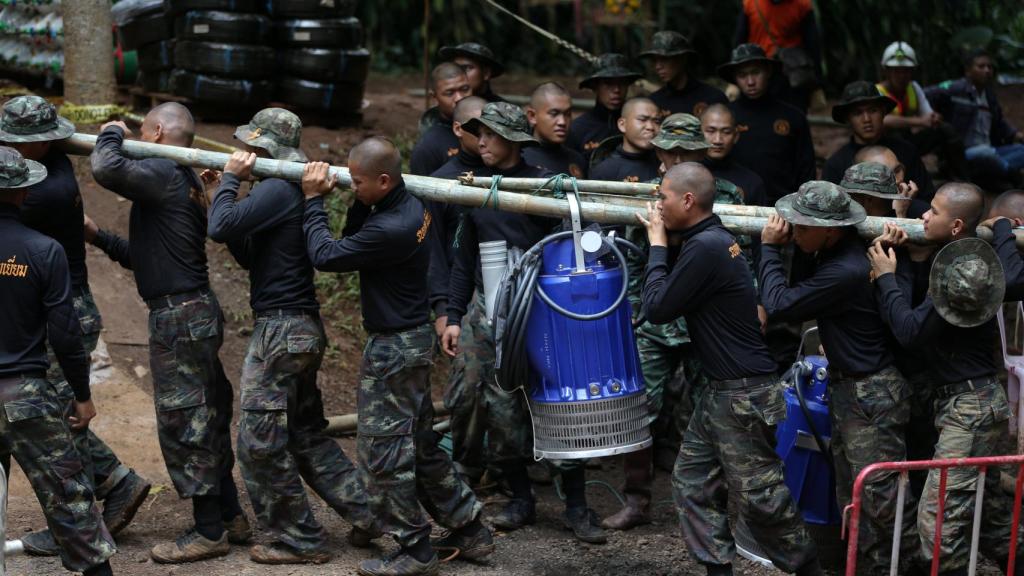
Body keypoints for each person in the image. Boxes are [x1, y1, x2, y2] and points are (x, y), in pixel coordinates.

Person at [302, 138, 493, 576]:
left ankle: (414, 548)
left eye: (358, 181)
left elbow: (326, 255)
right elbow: (355, 238)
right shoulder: (408, 205)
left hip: (393, 349)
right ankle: (470, 527)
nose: (352, 186)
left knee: (382, 454)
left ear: (384, 180)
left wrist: (313, 201)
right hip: (410, 343)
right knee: (422, 444)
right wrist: (355, 200)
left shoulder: (392, 227)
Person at [203, 109, 380, 564]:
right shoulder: (278, 191)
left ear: (267, 150)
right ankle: (373, 513)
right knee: (305, 435)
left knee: (258, 443)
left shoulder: (280, 187)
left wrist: (227, 180)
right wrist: (216, 192)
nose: (246, 153)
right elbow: (245, 253)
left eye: (253, 147)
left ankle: (301, 538)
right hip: (297, 327)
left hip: (281, 331)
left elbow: (220, 226)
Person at [636, 162, 822, 576]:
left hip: (743, 394)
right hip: (723, 391)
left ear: (687, 200)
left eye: (662, 196)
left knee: (761, 498)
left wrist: (656, 244)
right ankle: (717, 568)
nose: (658, 204)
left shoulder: (705, 247)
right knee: (691, 481)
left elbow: (657, 309)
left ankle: (808, 569)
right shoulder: (717, 240)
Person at [89, 103, 250, 563]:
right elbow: (152, 260)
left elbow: (105, 166)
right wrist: (98, 236)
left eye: (142, 130)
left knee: (186, 420)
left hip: (179, 317)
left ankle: (208, 530)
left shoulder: (161, 168)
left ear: (157, 132)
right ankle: (231, 514)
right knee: (209, 412)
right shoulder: (185, 181)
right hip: (192, 308)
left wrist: (112, 133)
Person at [441, 103, 607, 543]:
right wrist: (455, 316)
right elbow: (464, 261)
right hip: (494, 315)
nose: (481, 144)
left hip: (545, 316)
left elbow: (580, 246)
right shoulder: (477, 191)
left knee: (559, 405)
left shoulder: (544, 187)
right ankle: (519, 498)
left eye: (489, 136)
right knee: (500, 407)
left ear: (512, 140)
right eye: (478, 135)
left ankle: (576, 506)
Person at [0, 95, 151, 557]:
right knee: (51, 411)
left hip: (59, 308)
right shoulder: (53, 162)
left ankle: (77, 526)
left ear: (40, 144)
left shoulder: (38, 192)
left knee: (60, 418)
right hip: (55, 299)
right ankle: (117, 481)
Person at [604, 114, 756, 532]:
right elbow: (633, 259)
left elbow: (745, 259)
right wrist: (636, 309)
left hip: (703, 324)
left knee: (712, 412)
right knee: (638, 407)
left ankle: (720, 501)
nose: (672, 158)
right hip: (655, 323)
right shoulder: (651, 196)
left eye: (682, 152)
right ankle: (636, 499)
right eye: (667, 151)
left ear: (698, 154)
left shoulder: (724, 196)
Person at [759, 182, 919, 575]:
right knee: (853, 496)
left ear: (830, 229)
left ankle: (907, 568)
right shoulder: (830, 253)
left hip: (872, 393)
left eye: (801, 227)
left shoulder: (845, 269)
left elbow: (780, 304)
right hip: (850, 388)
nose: (793, 232)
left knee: (879, 501)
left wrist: (769, 249)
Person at [869, 182, 1023, 575]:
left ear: (956, 226)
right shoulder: (957, 257)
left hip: (969, 409)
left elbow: (910, 330)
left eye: (932, 212)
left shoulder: (965, 272)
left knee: (938, 524)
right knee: (991, 520)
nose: (924, 216)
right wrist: (904, 241)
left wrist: (888, 276)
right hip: (974, 402)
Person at [0, 146, 116, 576]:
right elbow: (66, 333)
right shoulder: (44, 250)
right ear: (24, 191)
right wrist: (81, 395)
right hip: (26, 396)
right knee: (72, 500)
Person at [427, 96, 492, 485]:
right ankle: (467, 465)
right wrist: (443, 310)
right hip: (461, 298)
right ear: (458, 130)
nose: (485, 138)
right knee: (467, 387)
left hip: (508, 296)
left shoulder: (511, 179)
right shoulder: (440, 181)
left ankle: (505, 466)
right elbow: (433, 252)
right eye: (477, 130)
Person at [718, 43, 814, 206]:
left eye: (756, 72)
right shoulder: (725, 117)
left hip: (783, 207)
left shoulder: (793, 116)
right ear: (735, 78)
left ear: (768, 72)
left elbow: (806, 170)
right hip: (733, 204)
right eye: (742, 75)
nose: (750, 81)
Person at [821, 81, 935, 204]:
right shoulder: (836, 164)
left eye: (873, 110)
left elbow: (927, 199)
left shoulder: (906, 152)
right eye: (857, 113)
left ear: (883, 112)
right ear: (848, 118)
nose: (867, 119)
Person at [927, 49, 1024, 190]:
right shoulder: (955, 88)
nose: (987, 70)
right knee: (985, 153)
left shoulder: (989, 95)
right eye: (981, 66)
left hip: (991, 150)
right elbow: (926, 94)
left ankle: (995, 173)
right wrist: (930, 115)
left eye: (989, 67)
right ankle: (1011, 174)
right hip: (964, 154)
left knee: (1012, 152)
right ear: (968, 70)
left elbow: (1000, 123)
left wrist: (1017, 135)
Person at [876, 41, 967, 180]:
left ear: (912, 71)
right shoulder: (877, 91)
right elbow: (883, 120)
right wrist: (919, 121)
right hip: (885, 147)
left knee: (945, 130)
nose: (901, 75)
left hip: (908, 141)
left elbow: (927, 113)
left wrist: (934, 118)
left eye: (906, 70)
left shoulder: (914, 87)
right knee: (897, 137)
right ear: (886, 71)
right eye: (896, 70)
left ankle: (956, 175)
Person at [732, 0, 821, 111]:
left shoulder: (802, 5)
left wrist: (816, 87)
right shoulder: (750, 3)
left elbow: (813, 44)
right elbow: (813, 45)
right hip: (761, 70)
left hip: (789, 75)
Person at [568, 53, 643, 162]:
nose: (616, 90)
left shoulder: (639, 126)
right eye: (608, 83)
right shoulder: (578, 129)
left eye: (621, 83)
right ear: (595, 87)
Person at [420, 42, 505, 133]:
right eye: (456, 67)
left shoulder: (503, 113)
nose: (458, 74)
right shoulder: (436, 117)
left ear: (486, 73)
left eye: (467, 68)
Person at [639, 31, 727, 117]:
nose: (658, 66)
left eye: (664, 59)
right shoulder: (654, 102)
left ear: (682, 58)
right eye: (654, 61)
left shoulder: (713, 98)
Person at [700, 103, 768, 207]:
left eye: (726, 132)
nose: (718, 140)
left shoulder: (751, 182)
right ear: (699, 133)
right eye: (711, 131)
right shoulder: (684, 175)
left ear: (736, 136)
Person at [409, 63, 471, 176]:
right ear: (434, 97)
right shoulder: (427, 148)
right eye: (449, 93)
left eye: (465, 89)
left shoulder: (486, 130)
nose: (459, 98)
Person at [524, 82, 587, 178]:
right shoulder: (519, 159)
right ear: (532, 116)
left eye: (567, 114)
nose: (562, 122)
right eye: (554, 113)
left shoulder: (577, 160)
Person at [590, 97, 660, 182]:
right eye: (642, 120)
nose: (650, 127)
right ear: (622, 125)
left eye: (656, 121)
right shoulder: (605, 171)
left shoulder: (665, 163)